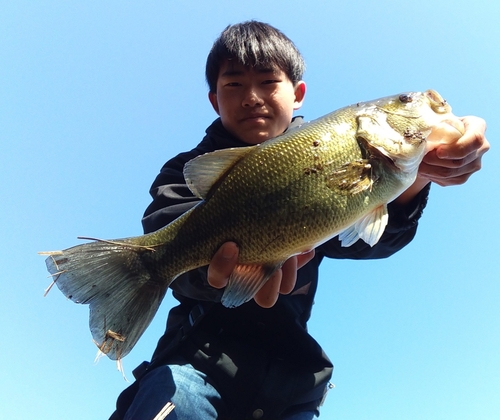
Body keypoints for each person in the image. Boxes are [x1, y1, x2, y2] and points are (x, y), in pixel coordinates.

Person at [110, 21, 489, 420]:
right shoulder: (185, 169)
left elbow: (371, 241)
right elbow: (166, 225)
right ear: (214, 100)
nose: (252, 98)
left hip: (291, 385)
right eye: (234, 85)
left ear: (299, 95)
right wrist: (209, 272)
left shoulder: (334, 150)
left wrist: (422, 173)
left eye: (269, 82)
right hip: (194, 364)